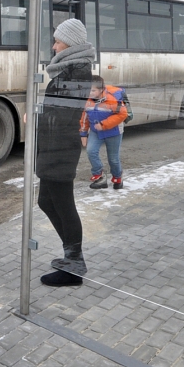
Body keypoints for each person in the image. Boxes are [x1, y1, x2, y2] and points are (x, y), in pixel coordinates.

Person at [36, 18, 95, 287]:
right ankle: (71, 259)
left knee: (62, 203)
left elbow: (63, 113)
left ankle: (74, 265)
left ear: (69, 43)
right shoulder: (69, 70)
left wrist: (40, 114)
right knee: (46, 202)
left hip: (61, 147)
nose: (54, 45)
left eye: (57, 40)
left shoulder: (77, 73)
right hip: (53, 145)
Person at [80, 76, 127, 190]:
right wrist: (83, 133)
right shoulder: (88, 102)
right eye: (88, 90)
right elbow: (84, 118)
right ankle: (99, 176)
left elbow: (122, 114)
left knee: (113, 158)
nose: (90, 93)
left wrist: (103, 124)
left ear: (101, 90)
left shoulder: (112, 99)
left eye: (93, 90)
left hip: (114, 132)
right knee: (91, 151)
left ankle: (117, 178)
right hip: (96, 132)